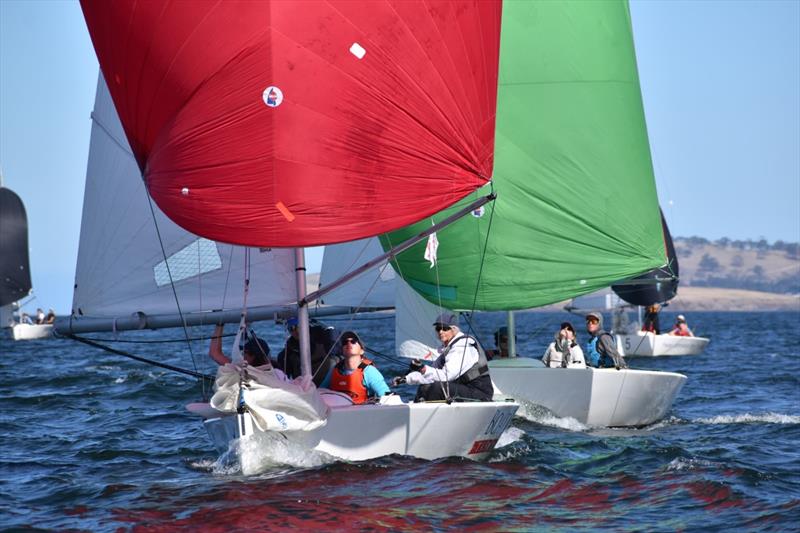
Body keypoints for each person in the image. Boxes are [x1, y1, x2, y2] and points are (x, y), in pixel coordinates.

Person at [393, 312, 493, 402]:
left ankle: (427, 418)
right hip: (463, 388)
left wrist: (423, 368)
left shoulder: (462, 346)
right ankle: (416, 415)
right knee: (424, 387)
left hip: (480, 392)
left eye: (445, 328)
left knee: (437, 387)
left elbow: (447, 376)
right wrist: (406, 379)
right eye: (438, 328)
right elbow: (432, 374)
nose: (441, 332)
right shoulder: (446, 349)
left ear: (454, 329)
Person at [320, 331, 389, 404]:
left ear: (362, 351)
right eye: (345, 342)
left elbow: (386, 396)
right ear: (342, 350)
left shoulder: (369, 371)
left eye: (353, 341)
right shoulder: (334, 370)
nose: (348, 343)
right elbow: (320, 391)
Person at [209, 323, 280, 373]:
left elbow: (214, 353)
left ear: (253, 356)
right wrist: (220, 324)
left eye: (244, 352)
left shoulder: (241, 369)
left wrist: (220, 324)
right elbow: (214, 353)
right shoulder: (276, 371)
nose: (241, 355)